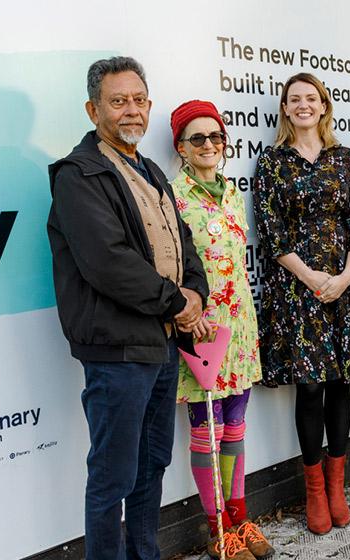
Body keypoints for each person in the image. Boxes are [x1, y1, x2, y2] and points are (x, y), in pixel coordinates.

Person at [47, 56, 209, 560]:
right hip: (117, 349)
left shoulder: (150, 168)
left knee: (152, 463)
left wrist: (196, 291)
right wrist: (177, 303)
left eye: (139, 101)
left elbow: (182, 243)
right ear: (94, 108)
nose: (132, 111)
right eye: (119, 102)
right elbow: (107, 261)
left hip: (160, 344)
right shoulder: (79, 174)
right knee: (113, 477)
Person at [252, 73, 350, 535]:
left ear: (324, 106)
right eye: (294, 100)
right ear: (285, 109)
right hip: (297, 288)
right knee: (309, 388)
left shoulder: (344, 158)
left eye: (311, 98)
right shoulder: (271, 162)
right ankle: (312, 491)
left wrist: (346, 276)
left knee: (340, 384)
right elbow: (271, 231)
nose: (303, 105)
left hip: (344, 285)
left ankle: (336, 487)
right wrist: (310, 277)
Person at [169, 100, 271, 560]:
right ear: (181, 147)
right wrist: (187, 313)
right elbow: (170, 264)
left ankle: (240, 516)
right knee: (205, 431)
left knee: (235, 426)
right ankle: (217, 530)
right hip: (203, 330)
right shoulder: (171, 197)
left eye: (216, 137)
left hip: (241, 327)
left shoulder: (231, 193)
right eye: (197, 138)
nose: (209, 145)